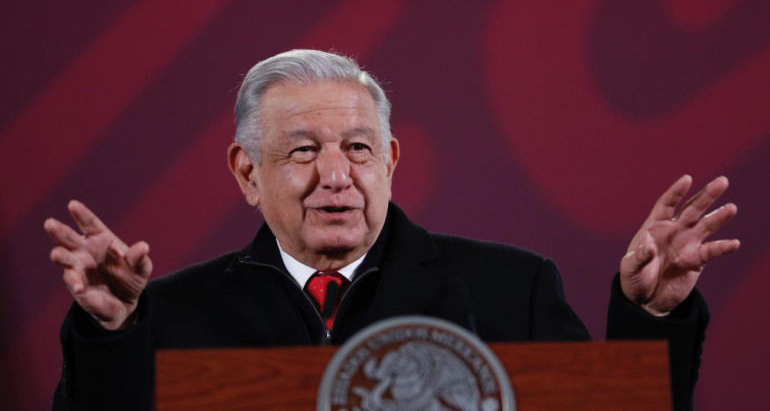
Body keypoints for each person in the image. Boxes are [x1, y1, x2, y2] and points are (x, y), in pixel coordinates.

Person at [44, 49, 739, 411]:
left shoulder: (510, 288)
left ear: (390, 161)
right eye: (303, 151)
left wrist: (652, 317)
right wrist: (112, 338)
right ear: (248, 172)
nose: (337, 175)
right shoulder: (165, 315)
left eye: (357, 147)